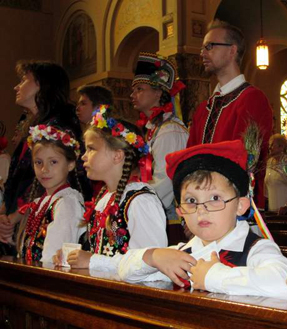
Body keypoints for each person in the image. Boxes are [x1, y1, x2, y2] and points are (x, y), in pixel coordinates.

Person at [118, 140, 287, 299]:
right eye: (191, 201)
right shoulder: (181, 254)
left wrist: (212, 276)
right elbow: (123, 269)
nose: (201, 209)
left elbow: (285, 283)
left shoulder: (257, 250)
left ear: (240, 205)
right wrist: (153, 256)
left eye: (215, 198)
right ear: (180, 211)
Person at [55, 106, 167, 276]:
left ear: (117, 156)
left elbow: (150, 265)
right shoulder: (104, 198)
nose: (83, 156)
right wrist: (72, 258)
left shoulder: (140, 201)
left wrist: (92, 261)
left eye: (91, 149)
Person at [0, 61, 86, 254]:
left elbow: (47, 180)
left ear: (42, 84)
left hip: (43, 216)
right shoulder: (35, 124)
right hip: (20, 217)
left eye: (23, 80)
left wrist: (13, 217)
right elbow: (18, 179)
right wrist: (4, 214)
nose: (16, 86)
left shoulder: (60, 124)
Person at [188, 20, 273, 208]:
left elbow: (244, 160)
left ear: (232, 50)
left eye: (210, 46)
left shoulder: (252, 99)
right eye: (202, 48)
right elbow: (189, 160)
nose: (202, 53)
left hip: (237, 210)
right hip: (201, 209)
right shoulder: (204, 109)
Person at [131, 52, 188, 224]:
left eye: (139, 89)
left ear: (157, 93)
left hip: (168, 219)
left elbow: (165, 182)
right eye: (133, 90)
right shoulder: (153, 129)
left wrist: (136, 206)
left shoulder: (170, 130)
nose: (132, 95)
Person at [17, 125, 85, 263]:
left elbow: (54, 256)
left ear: (71, 164)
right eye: (38, 162)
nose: (44, 169)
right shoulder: (40, 203)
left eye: (53, 162)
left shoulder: (67, 203)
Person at [265, 134, 287, 214]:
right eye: (270, 145)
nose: (270, 147)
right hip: (272, 211)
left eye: (272, 145)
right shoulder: (270, 162)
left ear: (281, 147)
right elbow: (267, 185)